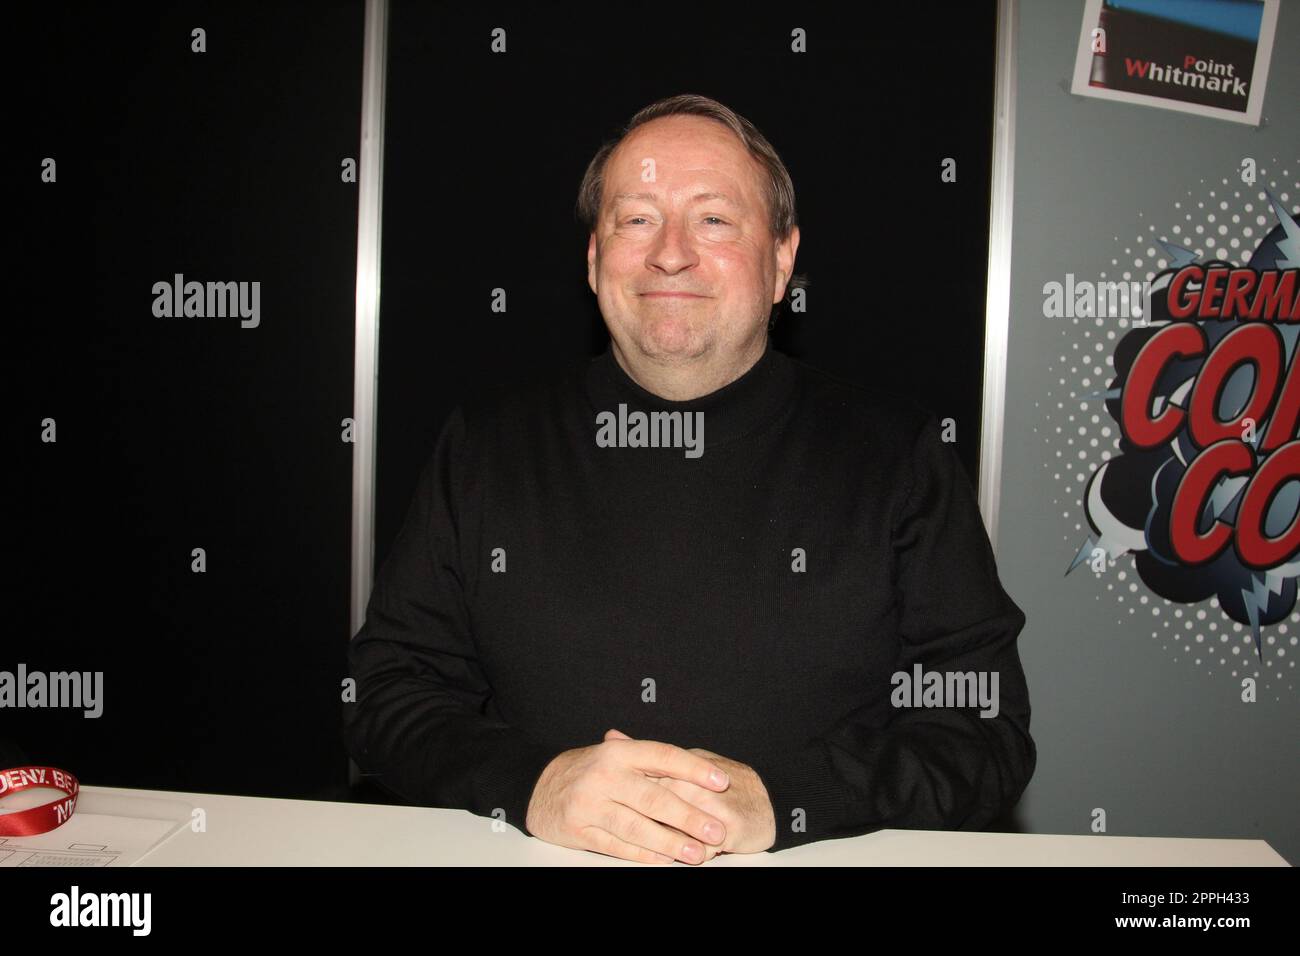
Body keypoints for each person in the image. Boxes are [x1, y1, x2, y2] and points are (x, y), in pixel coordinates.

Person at [343, 93, 1036, 864]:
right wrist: (534, 783)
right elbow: (387, 693)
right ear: (593, 259)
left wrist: (787, 801)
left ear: (781, 261)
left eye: (713, 220)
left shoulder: (897, 454)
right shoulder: (488, 443)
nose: (669, 252)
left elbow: (982, 726)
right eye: (635, 219)